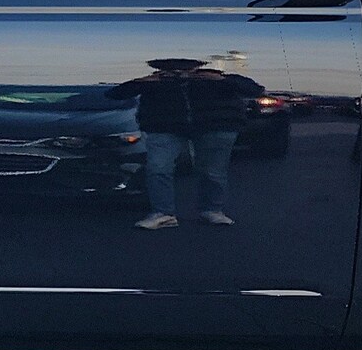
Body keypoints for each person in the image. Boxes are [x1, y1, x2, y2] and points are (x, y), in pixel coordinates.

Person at [108, 55, 258, 229]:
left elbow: (254, 89)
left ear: (197, 67)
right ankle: (163, 213)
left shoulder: (219, 79)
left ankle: (212, 210)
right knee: (158, 168)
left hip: (214, 127)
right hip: (165, 128)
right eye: (171, 69)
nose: (179, 72)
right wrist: (144, 82)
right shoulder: (154, 82)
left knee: (213, 171)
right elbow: (115, 94)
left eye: (185, 68)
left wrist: (220, 79)